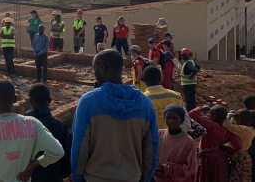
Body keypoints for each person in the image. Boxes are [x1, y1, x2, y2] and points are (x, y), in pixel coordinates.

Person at [72, 49, 158, 182]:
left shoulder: (89, 102)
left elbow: (80, 147)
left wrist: (78, 178)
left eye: (94, 68)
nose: (94, 73)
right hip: (131, 177)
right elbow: (151, 148)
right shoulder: (145, 104)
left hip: (95, 177)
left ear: (102, 68)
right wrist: (145, 178)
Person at [25, 84, 71, 182]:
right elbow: (67, 155)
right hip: (53, 176)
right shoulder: (59, 125)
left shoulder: (23, 125)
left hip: (29, 177)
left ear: (31, 101)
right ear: (50, 100)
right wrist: (63, 174)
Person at [189, 105, 242, 182]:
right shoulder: (229, 128)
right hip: (221, 158)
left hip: (208, 158)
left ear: (214, 115)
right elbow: (238, 146)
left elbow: (191, 114)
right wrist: (225, 149)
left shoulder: (211, 126)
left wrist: (201, 108)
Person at [154, 104, 198, 182]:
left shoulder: (188, 142)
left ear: (181, 120)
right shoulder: (159, 134)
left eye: (175, 118)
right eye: (168, 118)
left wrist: (166, 168)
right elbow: (152, 155)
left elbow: (190, 168)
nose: (171, 121)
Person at [223, 109, 255, 182]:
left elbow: (226, 125)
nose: (234, 121)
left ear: (240, 119)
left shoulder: (243, 130)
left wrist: (229, 117)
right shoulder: (251, 129)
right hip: (244, 157)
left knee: (236, 178)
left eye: (235, 119)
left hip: (239, 158)